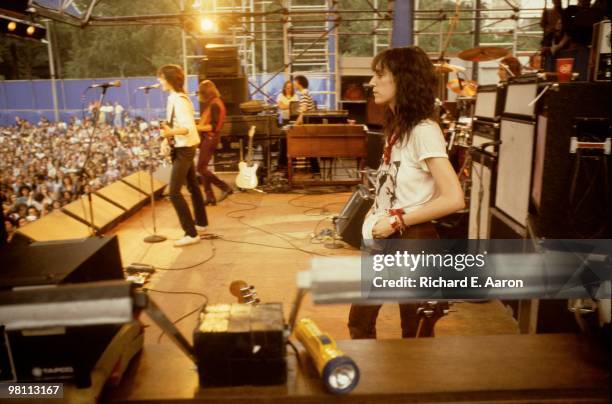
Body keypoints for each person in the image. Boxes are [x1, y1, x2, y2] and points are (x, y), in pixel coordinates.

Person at [348, 46, 465, 339]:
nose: (371, 83)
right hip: (385, 238)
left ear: (403, 79)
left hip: (413, 239)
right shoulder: (398, 128)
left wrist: (397, 221)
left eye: (379, 75)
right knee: (359, 323)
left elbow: (454, 198)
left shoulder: (424, 131)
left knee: (415, 332)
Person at [158, 64, 208, 247]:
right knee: (193, 186)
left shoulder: (178, 100)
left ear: (169, 79)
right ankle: (201, 222)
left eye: (161, 78)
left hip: (184, 148)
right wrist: (168, 133)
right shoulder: (177, 98)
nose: (159, 81)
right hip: (184, 146)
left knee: (174, 193)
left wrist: (167, 134)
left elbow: (187, 128)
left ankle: (191, 233)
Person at [195, 80, 233, 206]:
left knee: (200, 168)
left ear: (205, 93)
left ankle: (225, 187)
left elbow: (214, 126)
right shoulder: (215, 102)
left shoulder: (215, 104)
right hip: (209, 138)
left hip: (210, 138)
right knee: (203, 168)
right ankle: (209, 196)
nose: (199, 96)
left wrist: (196, 128)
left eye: (200, 93)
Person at [293, 75, 320, 175]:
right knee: (310, 149)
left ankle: (315, 170)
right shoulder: (305, 93)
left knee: (310, 149)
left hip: (308, 125)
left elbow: (303, 112)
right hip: (309, 124)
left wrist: (295, 125)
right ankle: (315, 170)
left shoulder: (304, 94)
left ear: (299, 82)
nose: (293, 84)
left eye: (294, 82)